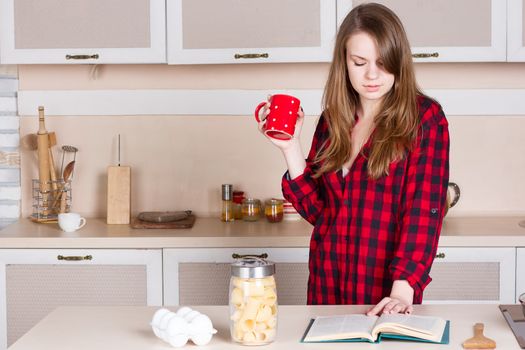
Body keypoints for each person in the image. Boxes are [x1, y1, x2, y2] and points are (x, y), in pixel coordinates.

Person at [258, 3, 449, 316]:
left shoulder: (425, 119)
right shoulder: (333, 120)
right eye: (360, 62)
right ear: (344, 63)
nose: (372, 74)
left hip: (384, 296)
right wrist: (290, 148)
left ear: (399, 62)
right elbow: (320, 212)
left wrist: (402, 291)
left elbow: (423, 211)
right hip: (325, 288)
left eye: (383, 63)